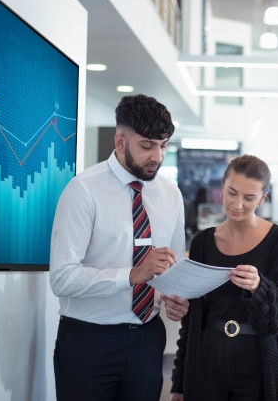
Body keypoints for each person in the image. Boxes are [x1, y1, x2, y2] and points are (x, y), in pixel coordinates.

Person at [50, 94, 190, 401]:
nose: (157, 156)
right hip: (88, 341)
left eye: (163, 145)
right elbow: (61, 279)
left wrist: (175, 298)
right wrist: (132, 275)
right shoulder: (83, 191)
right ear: (120, 142)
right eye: (147, 145)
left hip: (147, 338)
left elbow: (173, 267)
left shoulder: (171, 195)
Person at [170, 154, 278, 401]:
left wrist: (259, 287)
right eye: (232, 193)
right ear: (221, 188)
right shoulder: (202, 242)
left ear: (263, 198)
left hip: (256, 361)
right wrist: (179, 382)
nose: (237, 204)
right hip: (207, 357)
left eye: (249, 198)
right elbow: (192, 322)